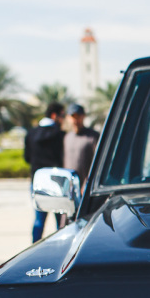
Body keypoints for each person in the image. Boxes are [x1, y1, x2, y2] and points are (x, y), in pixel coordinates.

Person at [25, 102, 65, 242]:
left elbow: (27, 158)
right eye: (62, 115)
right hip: (56, 182)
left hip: (37, 181)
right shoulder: (60, 135)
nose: (64, 119)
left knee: (39, 220)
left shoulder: (31, 133)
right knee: (60, 222)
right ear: (55, 115)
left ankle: (34, 249)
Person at [62, 103, 99, 184]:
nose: (75, 120)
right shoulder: (67, 137)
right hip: (70, 187)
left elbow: (98, 163)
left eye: (78, 116)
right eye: (73, 117)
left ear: (83, 116)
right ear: (68, 118)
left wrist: (87, 183)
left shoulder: (93, 137)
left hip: (87, 187)